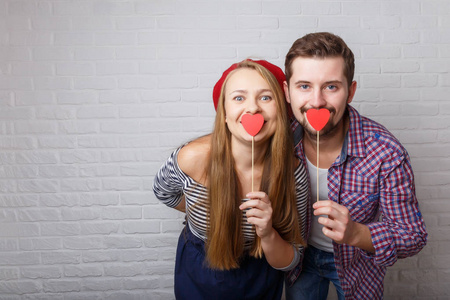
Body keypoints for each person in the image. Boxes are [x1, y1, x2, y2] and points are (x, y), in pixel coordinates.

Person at [282, 32, 428, 300]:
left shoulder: (386, 152)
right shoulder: (279, 141)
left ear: (351, 91)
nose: (316, 101)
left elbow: (413, 235)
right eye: (304, 86)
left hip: (357, 266)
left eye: (331, 87)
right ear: (286, 92)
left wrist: (357, 233)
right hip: (299, 261)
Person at [153, 59, 309, 300]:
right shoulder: (191, 158)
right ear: (224, 114)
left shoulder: (293, 172)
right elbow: (164, 192)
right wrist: (200, 209)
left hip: (261, 275)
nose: (253, 109)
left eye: (266, 98)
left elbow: (292, 259)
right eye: (239, 98)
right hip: (200, 270)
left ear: (281, 110)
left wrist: (267, 233)